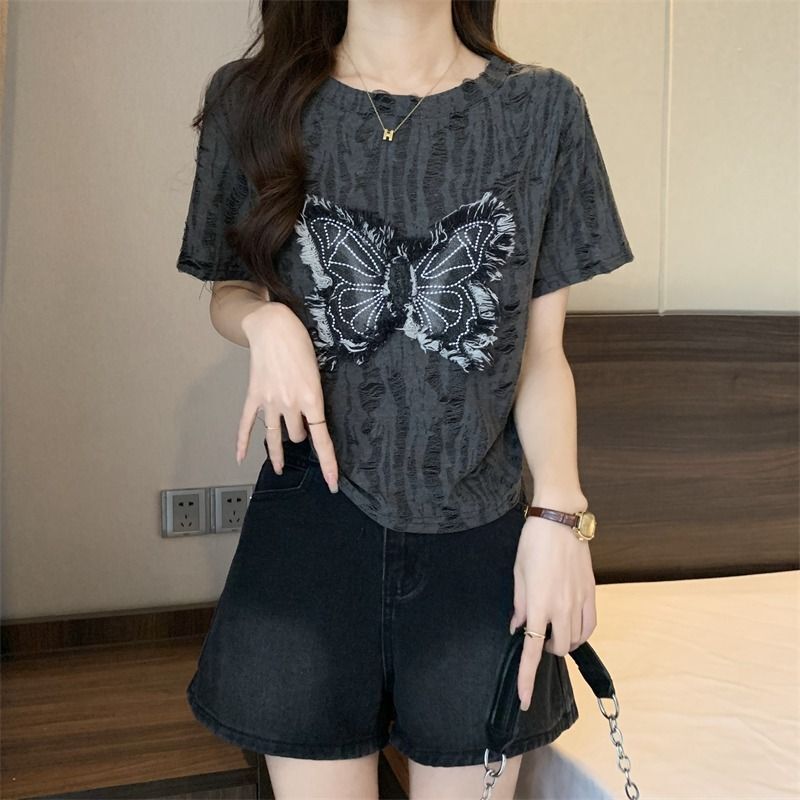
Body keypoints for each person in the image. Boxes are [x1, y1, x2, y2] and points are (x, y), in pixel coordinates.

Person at [175, 1, 635, 798]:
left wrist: (561, 515)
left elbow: (540, 353)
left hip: (479, 542)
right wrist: (263, 320)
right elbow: (228, 287)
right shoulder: (251, 101)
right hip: (310, 527)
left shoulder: (542, 109)